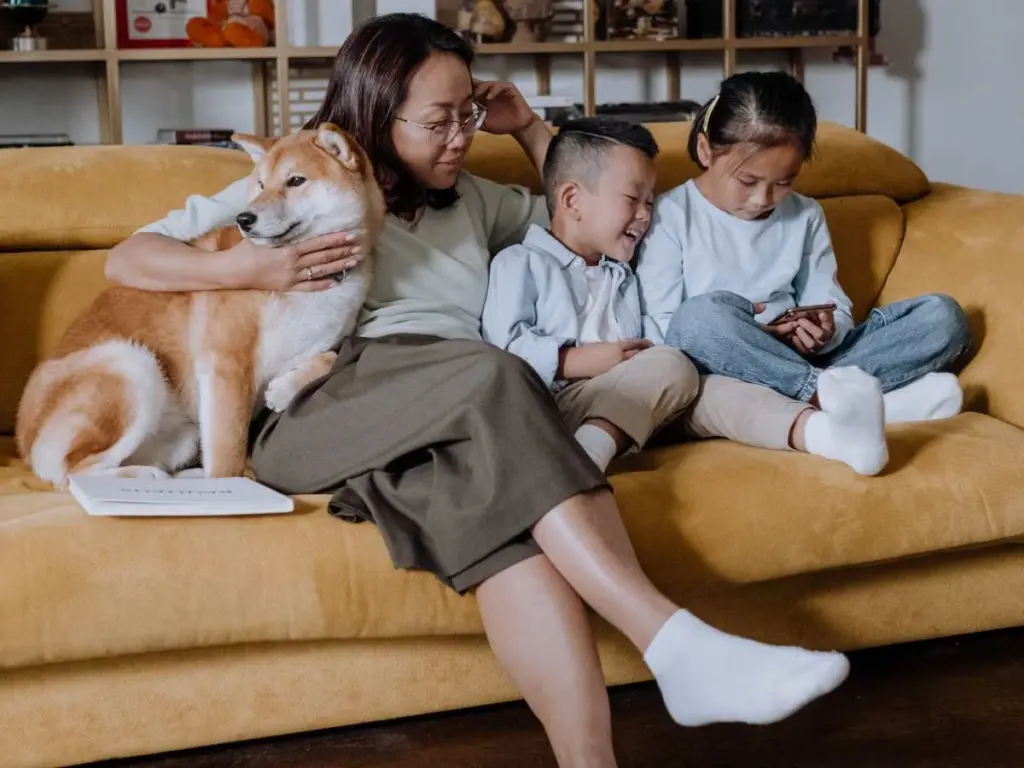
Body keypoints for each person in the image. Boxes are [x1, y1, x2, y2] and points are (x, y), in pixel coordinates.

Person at [106, 16, 849, 767]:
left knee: (510, 543)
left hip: (445, 414)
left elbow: (585, 211)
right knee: (496, 371)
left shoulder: (475, 203)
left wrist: (527, 126)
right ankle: (674, 643)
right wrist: (245, 270)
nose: (460, 136)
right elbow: (128, 260)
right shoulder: (302, 180)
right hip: (322, 402)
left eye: (468, 115)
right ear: (372, 113)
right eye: (438, 121)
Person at [483, 116, 890, 476]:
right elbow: (502, 351)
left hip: (645, 400)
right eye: (632, 199)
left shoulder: (623, 273)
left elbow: (654, 336)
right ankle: (587, 454)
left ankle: (828, 434)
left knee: (713, 389)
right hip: (560, 405)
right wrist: (577, 360)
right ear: (572, 200)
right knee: (673, 363)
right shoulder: (520, 263)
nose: (645, 215)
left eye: (649, 201)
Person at [637, 71, 972, 430]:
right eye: (747, 181)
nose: (762, 199)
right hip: (726, 365)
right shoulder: (671, 215)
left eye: (783, 183)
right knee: (698, 318)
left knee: (943, 317)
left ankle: (825, 398)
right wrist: (755, 338)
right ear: (706, 150)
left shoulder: (806, 215)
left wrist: (827, 329)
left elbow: (830, 300)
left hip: (805, 360)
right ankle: (837, 399)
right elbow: (667, 329)